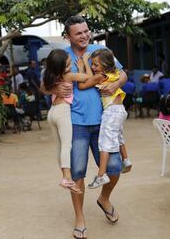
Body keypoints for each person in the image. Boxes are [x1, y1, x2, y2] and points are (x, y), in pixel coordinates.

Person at [52, 16, 127, 239]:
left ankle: (104, 198)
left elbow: (122, 73)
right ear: (68, 36)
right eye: (79, 33)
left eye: (86, 31)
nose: (85, 36)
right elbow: (44, 84)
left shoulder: (100, 50)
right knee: (77, 173)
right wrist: (54, 88)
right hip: (76, 124)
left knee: (115, 168)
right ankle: (79, 218)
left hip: (104, 121)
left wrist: (115, 84)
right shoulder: (60, 56)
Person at [76, 49, 132, 189]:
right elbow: (122, 75)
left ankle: (101, 175)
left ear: (105, 65)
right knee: (118, 136)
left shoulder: (100, 76)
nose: (93, 67)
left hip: (111, 111)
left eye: (95, 64)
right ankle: (126, 160)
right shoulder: (115, 73)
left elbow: (82, 85)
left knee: (104, 143)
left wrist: (82, 67)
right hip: (120, 110)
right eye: (92, 64)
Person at [43, 49, 93, 195]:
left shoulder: (50, 76)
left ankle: (65, 177)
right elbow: (88, 77)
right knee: (67, 146)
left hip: (52, 112)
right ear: (60, 68)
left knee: (59, 147)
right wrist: (84, 63)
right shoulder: (69, 75)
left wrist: (79, 68)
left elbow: (45, 88)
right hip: (63, 112)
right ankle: (66, 178)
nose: (70, 66)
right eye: (67, 65)